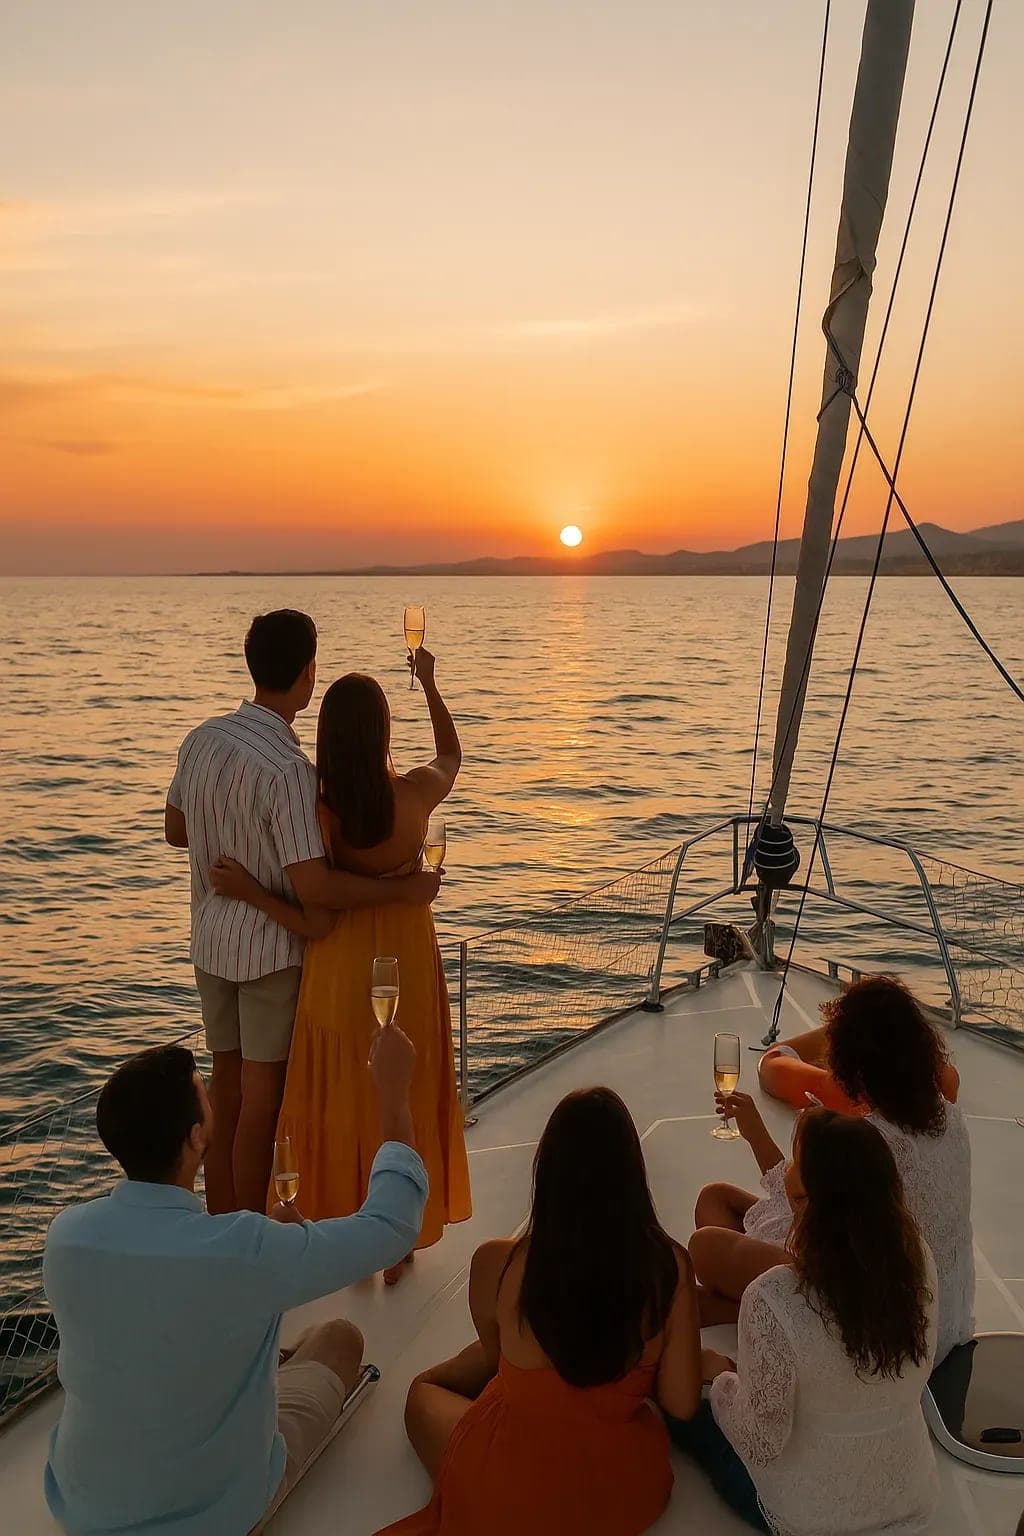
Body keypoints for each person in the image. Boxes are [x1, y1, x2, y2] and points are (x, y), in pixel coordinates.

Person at [43, 1029, 427, 1536]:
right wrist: (394, 1096)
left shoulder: (67, 1237)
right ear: (196, 1137)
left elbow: (158, 1296)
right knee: (339, 1338)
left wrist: (268, 1258)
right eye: (202, 1088)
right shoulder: (242, 1249)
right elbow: (391, 1227)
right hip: (212, 1515)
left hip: (82, 1504)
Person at [165, 609, 439, 1214]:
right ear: (308, 671)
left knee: (225, 1090)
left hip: (210, 940)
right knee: (259, 1102)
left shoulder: (201, 738)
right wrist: (402, 889)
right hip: (268, 950)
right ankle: (249, 1231)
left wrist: (232, 839)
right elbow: (314, 887)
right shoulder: (290, 771)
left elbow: (176, 830)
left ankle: (219, 1222)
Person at [212, 646, 470, 1281]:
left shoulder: (316, 805)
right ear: (383, 733)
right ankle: (397, 1235)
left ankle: (333, 1229)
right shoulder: (412, 798)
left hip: (336, 960)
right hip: (405, 954)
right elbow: (451, 756)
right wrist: (432, 686)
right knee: (398, 1087)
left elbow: (309, 885)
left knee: (336, 1091)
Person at [377, 1087, 702, 1536]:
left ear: (547, 1175)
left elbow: (494, 1364)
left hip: (513, 1490)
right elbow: (682, 1403)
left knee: (422, 1392)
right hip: (621, 1489)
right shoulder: (671, 1266)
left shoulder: (498, 1264)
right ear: (632, 1175)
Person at [667, 1109, 939, 1535]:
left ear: (806, 1201)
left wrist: (721, 1378)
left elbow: (760, 1440)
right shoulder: (917, 1261)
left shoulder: (775, 1297)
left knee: (681, 1404)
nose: (787, 1171)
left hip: (811, 1515)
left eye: (795, 1162)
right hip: (908, 1495)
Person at [691, 975, 974, 1361]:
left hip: (885, 1316)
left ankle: (737, 1307)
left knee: (705, 1245)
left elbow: (808, 1226)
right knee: (717, 1197)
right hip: (949, 1316)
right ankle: (739, 1302)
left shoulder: (868, 1141)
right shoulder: (947, 1116)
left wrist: (772, 1136)